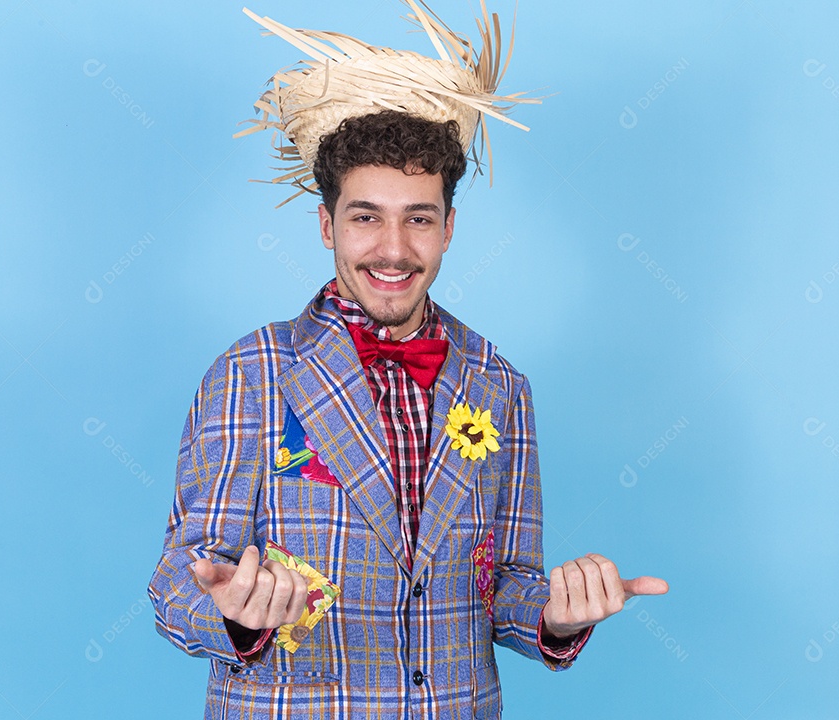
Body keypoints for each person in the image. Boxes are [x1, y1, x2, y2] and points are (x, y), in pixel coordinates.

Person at [148, 4, 667, 718]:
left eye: (418, 217)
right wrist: (235, 611)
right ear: (327, 224)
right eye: (365, 216)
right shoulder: (252, 373)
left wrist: (557, 617)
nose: (393, 249)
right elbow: (179, 587)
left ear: (449, 227)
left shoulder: (500, 384)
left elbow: (503, 586)